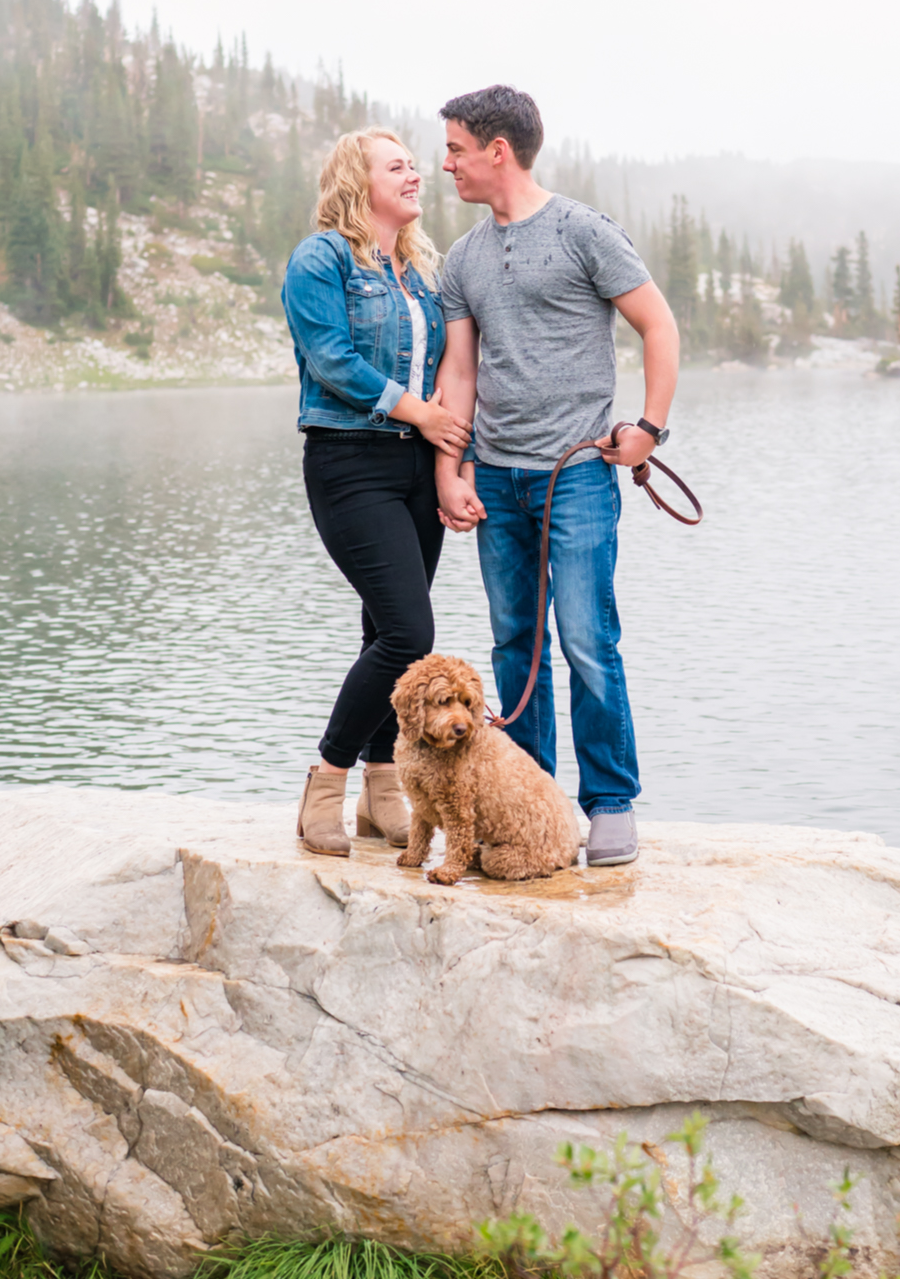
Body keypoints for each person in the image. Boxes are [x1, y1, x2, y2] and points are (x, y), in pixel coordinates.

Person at [432, 85, 680, 868]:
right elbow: (460, 372)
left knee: (586, 640)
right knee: (515, 646)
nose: (447, 164)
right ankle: (532, 802)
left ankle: (609, 802)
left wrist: (648, 429)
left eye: (456, 149)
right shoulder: (463, 258)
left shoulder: (584, 232)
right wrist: (450, 470)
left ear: (497, 150)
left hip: (577, 477)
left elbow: (658, 324)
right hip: (496, 480)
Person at [282, 128, 470, 856]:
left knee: (381, 632)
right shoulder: (322, 258)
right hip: (349, 461)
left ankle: (381, 789)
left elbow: (452, 367)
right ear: (358, 181)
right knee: (409, 635)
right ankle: (326, 780)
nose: (416, 175)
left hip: (417, 467)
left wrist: (450, 464)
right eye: (398, 167)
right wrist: (418, 411)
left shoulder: (421, 272)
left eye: (416, 165)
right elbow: (330, 359)